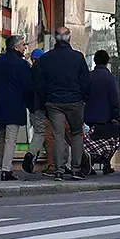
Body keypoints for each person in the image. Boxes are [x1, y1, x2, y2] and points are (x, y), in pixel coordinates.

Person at [34, 27, 90, 181]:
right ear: (69, 39)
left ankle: (58, 170)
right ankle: (76, 169)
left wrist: (46, 99)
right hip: (74, 101)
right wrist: (83, 97)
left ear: (55, 39)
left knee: (58, 136)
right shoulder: (78, 58)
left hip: (54, 101)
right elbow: (86, 81)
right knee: (77, 134)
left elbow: (40, 83)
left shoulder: (46, 58)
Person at [0, 35, 33, 181]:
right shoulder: (22, 64)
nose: (25, 47)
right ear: (15, 47)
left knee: (1, 136)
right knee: (10, 138)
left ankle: (2, 166)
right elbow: (28, 86)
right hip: (15, 105)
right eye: (23, 45)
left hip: (0, 104)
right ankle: (6, 169)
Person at [22, 48, 47, 174]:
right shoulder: (44, 69)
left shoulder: (30, 70)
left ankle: (31, 153)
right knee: (53, 134)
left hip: (33, 107)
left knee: (39, 132)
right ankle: (56, 162)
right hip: (44, 106)